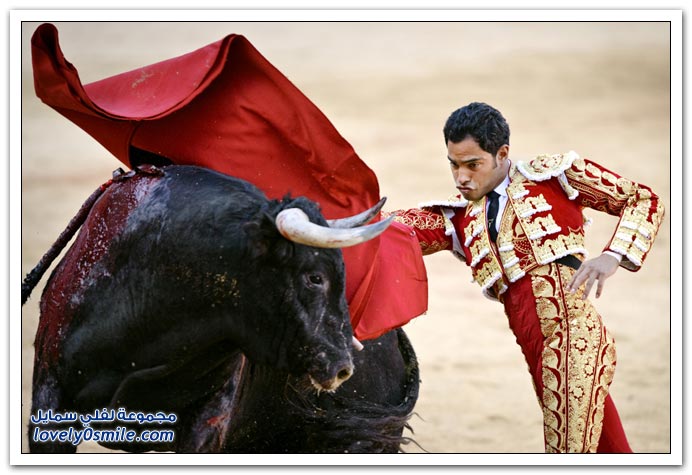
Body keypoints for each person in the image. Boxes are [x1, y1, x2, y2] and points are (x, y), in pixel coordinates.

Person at [388, 102, 664, 453]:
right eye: (454, 165)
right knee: (610, 450)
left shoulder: (551, 177)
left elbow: (641, 199)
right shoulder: (460, 217)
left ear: (502, 154)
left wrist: (612, 256)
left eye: (474, 165)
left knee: (568, 454)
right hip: (532, 345)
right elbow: (392, 228)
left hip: (571, 336)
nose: (461, 177)